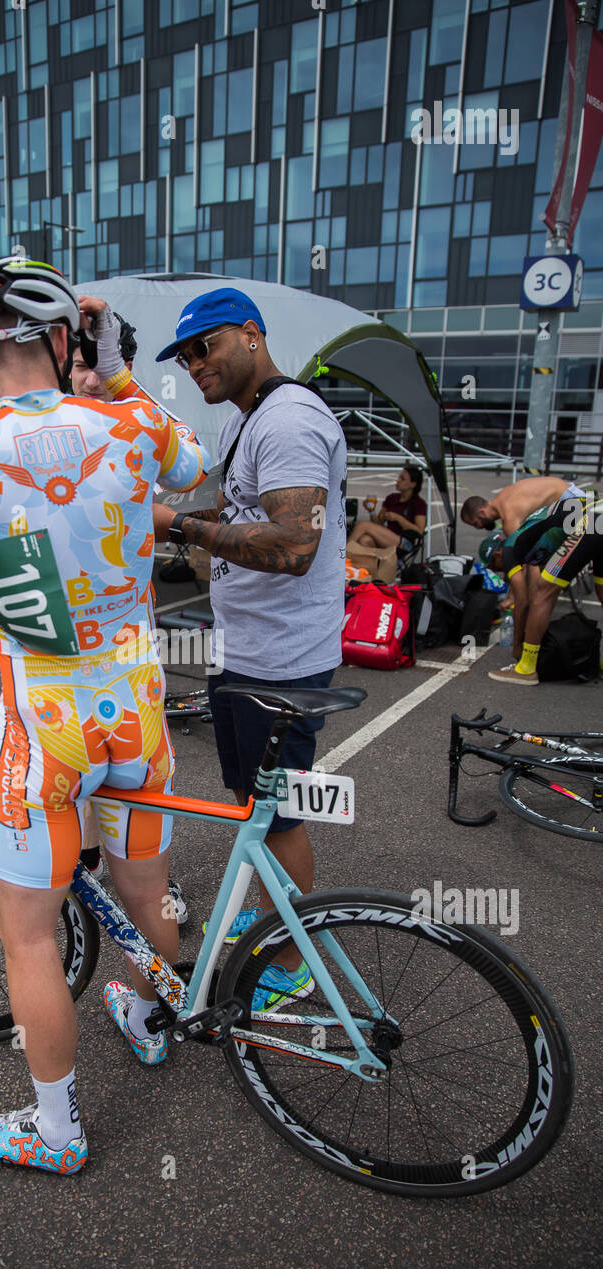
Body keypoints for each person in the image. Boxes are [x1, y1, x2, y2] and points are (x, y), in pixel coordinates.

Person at [0, 257, 206, 1174]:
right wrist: (114, 368)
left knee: (30, 934)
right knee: (148, 889)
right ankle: (155, 1014)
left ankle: (57, 1132)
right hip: (136, 710)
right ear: (65, 339)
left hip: (44, 721)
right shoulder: (126, 425)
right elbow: (189, 469)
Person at [152, 288, 347, 1010]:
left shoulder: (289, 420)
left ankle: (296, 953)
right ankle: (272, 907)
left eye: (206, 346)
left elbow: (296, 543)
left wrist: (178, 526)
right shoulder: (249, 418)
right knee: (249, 799)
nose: (194, 363)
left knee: (279, 810)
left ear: (252, 335)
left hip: (283, 660)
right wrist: (165, 526)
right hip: (250, 649)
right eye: (185, 354)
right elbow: (237, 516)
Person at [68, 317, 189, 926]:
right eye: (81, 365)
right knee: (85, 816)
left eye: (104, 365)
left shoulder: (130, 425)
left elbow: (189, 461)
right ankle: (90, 862)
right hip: (59, 676)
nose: (90, 379)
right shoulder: (28, 436)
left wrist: (117, 380)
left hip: (123, 670)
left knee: (145, 885)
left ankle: (151, 1003)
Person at [484, 489, 603, 684]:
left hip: (591, 521)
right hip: (597, 513)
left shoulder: (509, 551)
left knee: (544, 592)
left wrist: (517, 646)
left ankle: (526, 668)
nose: (498, 571)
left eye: (493, 566)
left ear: (497, 555)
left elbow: (523, 602)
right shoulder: (531, 540)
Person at [461, 475, 578, 536]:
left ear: (482, 512)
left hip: (570, 501)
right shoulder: (502, 496)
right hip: (568, 495)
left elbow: (521, 554)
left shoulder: (509, 517)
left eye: (476, 523)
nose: (478, 528)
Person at [347, 466, 426, 553]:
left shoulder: (419, 503)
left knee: (363, 525)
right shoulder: (391, 498)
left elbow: (419, 531)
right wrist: (371, 510)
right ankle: (373, 565)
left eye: (402, 479)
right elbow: (378, 523)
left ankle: (341, 555)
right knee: (365, 540)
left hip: (404, 543)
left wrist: (398, 518)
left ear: (413, 484)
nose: (398, 480)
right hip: (385, 538)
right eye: (399, 477)